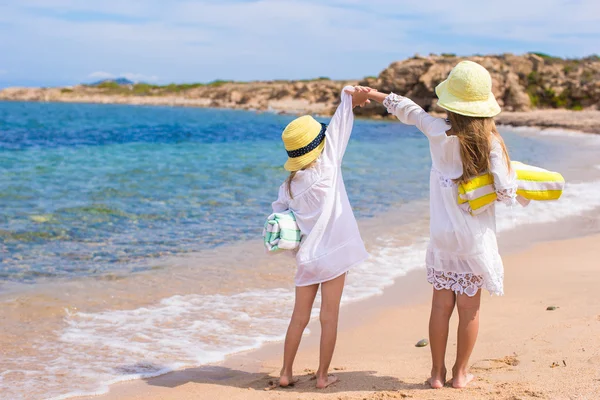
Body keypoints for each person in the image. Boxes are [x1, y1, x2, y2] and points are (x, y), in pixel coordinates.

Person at [359, 60, 517, 389]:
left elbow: (408, 109)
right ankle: (460, 374)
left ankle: (436, 374)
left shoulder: (437, 131)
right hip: (473, 239)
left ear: (452, 105)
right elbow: (505, 188)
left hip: (442, 237)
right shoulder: (490, 143)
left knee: (440, 307)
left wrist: (371, 94)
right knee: (469, 310)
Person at [271, 86, 370, 388]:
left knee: (298, 318)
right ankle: (323, 376)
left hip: (307, 258)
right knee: (329, 317)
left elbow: (279, 215)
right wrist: (350, 98)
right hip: (334, 257)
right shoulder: (328, 167)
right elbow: (340, 125)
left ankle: (286, 373)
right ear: (319, 145)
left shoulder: (288, 187)